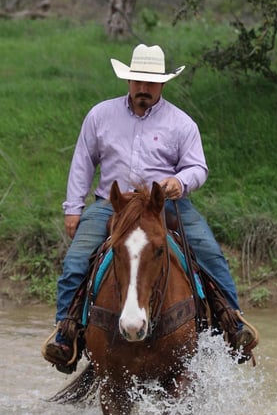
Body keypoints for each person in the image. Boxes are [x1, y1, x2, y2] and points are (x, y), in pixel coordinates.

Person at [42, 43, 258, 373]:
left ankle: (233, 324)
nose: (143, 89)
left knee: (210, 255)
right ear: (128, 81)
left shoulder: (181, 123)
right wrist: (73, 208)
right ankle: (65, 334)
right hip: (113, 205)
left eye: (151, 83)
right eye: (138, 82)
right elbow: (82, 162)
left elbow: (198, 167)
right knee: (75, 261)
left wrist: (180, 183)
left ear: (162, 84)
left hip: (164, 204)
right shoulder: (100, 115)